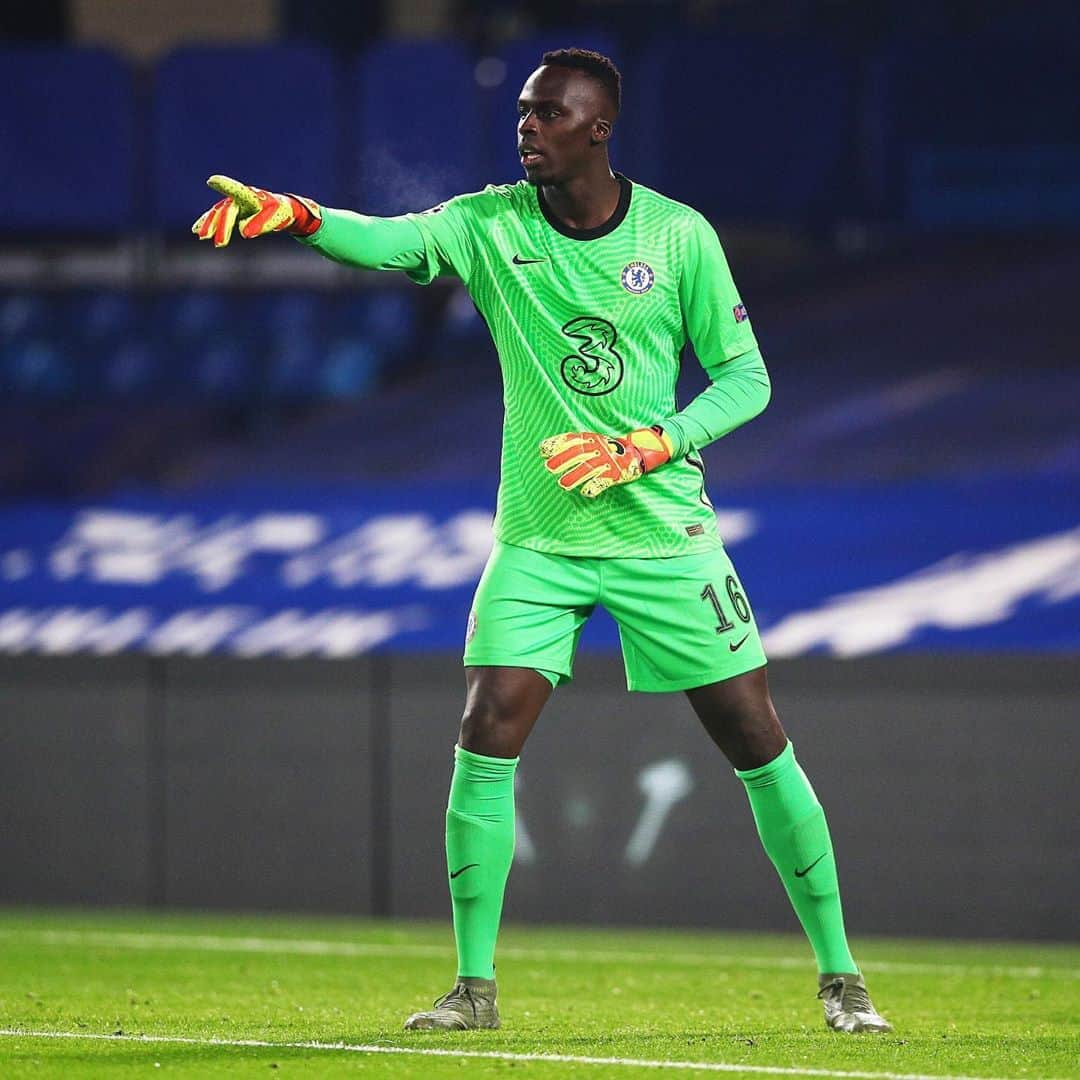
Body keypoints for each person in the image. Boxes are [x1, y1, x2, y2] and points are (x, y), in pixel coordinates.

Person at [193, 47, 891, 1037]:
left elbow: (747, 379)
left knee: (750, 730)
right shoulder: (488, 226)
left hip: (663, 536)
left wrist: (655, 442)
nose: (526, 127)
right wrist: (302, 218)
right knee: (488, 721)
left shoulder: (677, 236)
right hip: (540, 541)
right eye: (523, 112)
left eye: (548, 114)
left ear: (597, 127)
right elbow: (389, 244)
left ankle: (842, 977)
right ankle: (473, 990)